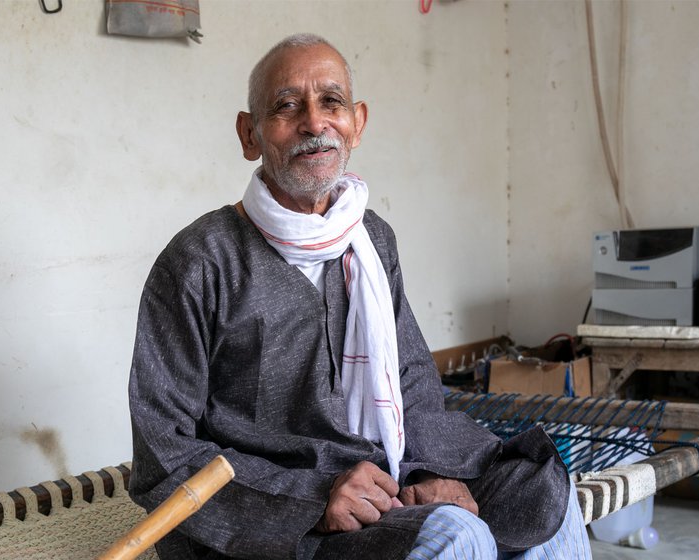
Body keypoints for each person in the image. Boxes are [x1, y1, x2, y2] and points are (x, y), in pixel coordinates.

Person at [128, 33, 592, 560]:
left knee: (544, 498)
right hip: (273, 528)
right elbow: (161, 455)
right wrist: (313, 499)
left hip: (382, 488)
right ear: (248, 134)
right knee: (456, 535)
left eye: (332, 102)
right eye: (286, 106)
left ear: (358, 122)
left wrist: (430, 471)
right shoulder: (200, 260)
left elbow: (412, 384)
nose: (314, 122)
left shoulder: (372, 239)